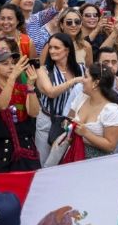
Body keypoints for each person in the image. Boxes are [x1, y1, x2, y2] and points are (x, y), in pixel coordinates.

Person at [35, 33, 84, 163]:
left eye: (56, 48)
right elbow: (51, 92)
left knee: (66, 163)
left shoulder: (81, 69)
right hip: (48, 121)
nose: (52, 51)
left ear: (67, 50)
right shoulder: (43, 70)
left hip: (71, 124)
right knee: (44, 162)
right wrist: (73, 81)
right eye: (50, 47)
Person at [67, 63, 118, 157]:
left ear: (96, 83)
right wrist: (69, 132)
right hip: (73, 153)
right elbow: (69, 119)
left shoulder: (112, 111)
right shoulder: (81, 97)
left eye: (85, 77)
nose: (82, 80)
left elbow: (110, 146)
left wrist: (86, 133)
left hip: (97, 162)